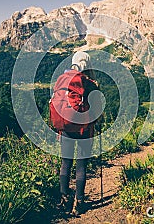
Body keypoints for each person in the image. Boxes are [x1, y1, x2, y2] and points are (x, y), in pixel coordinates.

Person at [56, 51, 101, 216]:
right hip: (84, 130)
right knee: (81, 165)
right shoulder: (91, 84)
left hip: (65, 128)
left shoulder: (63, 78)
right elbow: (97, 111)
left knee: (65, 164)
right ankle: (79, 202)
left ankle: (63, 199)